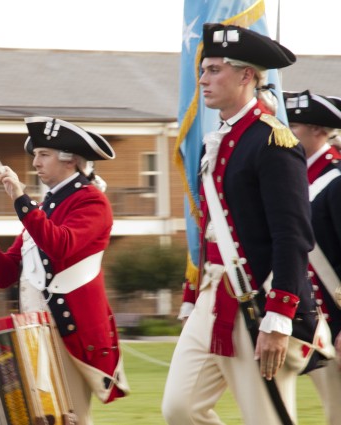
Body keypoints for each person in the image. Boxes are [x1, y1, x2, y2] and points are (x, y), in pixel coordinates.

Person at [161, 24, 317, 424]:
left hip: (258, 300)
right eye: (203, 69)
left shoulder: (273, 142)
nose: (202, 79)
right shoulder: (220, 139)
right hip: (213, 296)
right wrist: (193, 295)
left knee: (266, 418)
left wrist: (279, 318)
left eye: (214, 69)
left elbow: (292, 236)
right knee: (179, 409)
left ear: (246, 75)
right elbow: (214, 229)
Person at [0, 116, 129, 424]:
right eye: (35, 154)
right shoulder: (43, 207)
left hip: (69, 332)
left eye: (43, 154)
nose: (34, 162)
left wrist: (21, 201)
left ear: (70, 161)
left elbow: (61, 244)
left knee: (70, 417)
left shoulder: (91, 201)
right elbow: (5, 274)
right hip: (35, 330)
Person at [283, 89, 341, 424]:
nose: (286, 134)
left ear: (319, 131)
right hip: (306, 322)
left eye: (295, 126)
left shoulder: (335, 181)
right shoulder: (292, 179)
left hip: (334, 321)